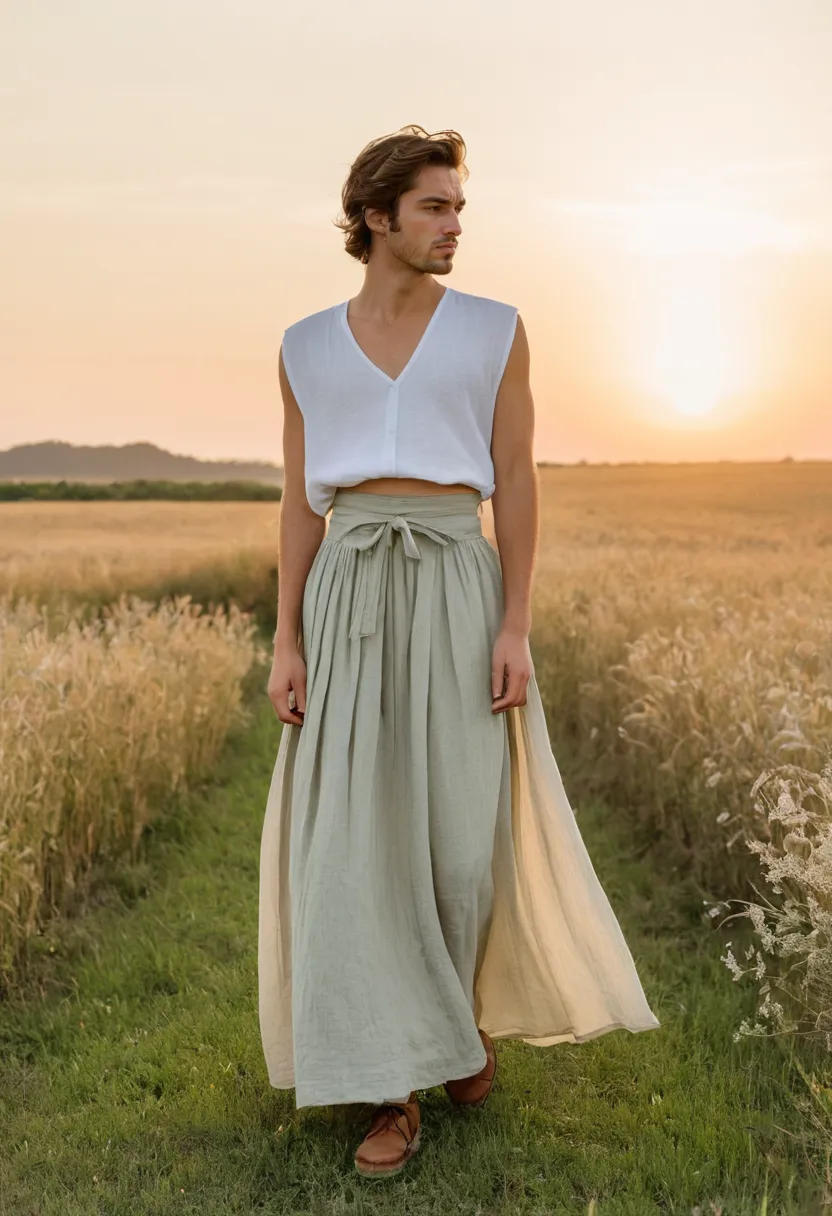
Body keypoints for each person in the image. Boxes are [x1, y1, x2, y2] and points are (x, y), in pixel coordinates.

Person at [258, 124, 660, 1180]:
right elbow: (302, 501)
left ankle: (459, 1024)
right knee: (356, 842)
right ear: (375, 217)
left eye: (458, 209)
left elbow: (516, 480)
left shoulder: (494, 329)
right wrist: (286, 635)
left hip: (455, 584)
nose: (453, 227)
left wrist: (515, 621)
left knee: (457, 843)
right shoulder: (303, 344)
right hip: (347, 589)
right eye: (433, 208)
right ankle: (394, 1089)